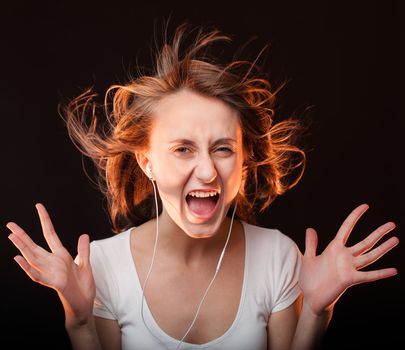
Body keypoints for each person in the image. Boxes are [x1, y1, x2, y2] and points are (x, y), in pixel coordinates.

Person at [6, 22, 399, 350]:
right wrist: (78, 322)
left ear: (244, 162)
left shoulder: (278, 256)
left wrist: (315, 310)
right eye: (183, 149)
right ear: (148, 162)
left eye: (223, 149)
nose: (208, 171)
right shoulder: (105, 267)